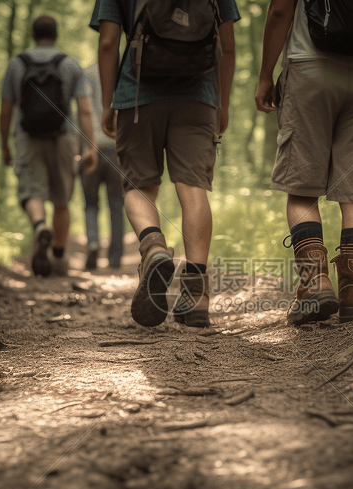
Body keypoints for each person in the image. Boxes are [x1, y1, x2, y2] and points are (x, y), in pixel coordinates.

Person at [255, 0, 353, 325]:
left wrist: (265, 75)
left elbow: (281, 10)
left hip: (309, 71)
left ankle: (315, 284)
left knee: (301, 189)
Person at [91, 0, 240, 327]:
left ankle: (154, 245)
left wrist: (107, 103)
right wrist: (222, 104)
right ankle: (197, 298)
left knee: (139, 186)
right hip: (198, 97)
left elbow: (107, 42)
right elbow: (227, 47)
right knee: (194, 188)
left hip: (137, 94)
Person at [0, 15, 98, 277]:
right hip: (64, 138)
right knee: (62, 198)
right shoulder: (70, 64)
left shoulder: (16, 64)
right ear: (56, 35)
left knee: (32, 190)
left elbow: (6, 108)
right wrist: (90, 146)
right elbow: (85, 111)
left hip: (27, 137)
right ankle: (57, 256)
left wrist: (4, 145)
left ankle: (40, 226)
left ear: (33, 34)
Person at [81, 63, 125, 271]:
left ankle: (93, 243)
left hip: (91, 147)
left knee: (91, 204)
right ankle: (115, 257)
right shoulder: (125, 71)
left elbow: (82, 110)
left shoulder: (86, 73)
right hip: (117, 148)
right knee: (116, 204)